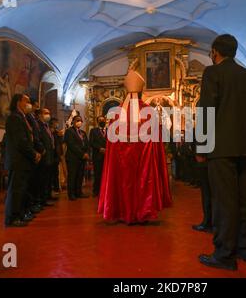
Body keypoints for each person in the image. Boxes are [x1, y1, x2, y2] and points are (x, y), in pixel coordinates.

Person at [197, 34, 246, 271]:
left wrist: (201, 146)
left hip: (221, 148)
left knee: (224, 202)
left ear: (215, 52)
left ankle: (225, 255)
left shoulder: (212, 73)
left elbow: (206, 109)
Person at [98, 69, 172, 224]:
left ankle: (124, 212)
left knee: (124, 182)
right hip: (143, 161)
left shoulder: (117, 114)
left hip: (122, 162)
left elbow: (111, 143)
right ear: (141, 91)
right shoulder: (149, 112)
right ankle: (143, 212)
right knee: (143, 182)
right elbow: (156, 141)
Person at [4, 94, 41, 227]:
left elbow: (30, 138)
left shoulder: (23, 118)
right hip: (18, 160)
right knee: (16, 190)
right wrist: (33, 153)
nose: (29, 103)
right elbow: (20, 141)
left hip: (24, 160)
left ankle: (20, 214)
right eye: (26, 101)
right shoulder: (14, 118)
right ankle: (12, 218)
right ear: (19, 102)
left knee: (22, 190)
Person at [64, 115, 90, 201]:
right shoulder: (69, 131)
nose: (79, 122)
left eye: (80, 120)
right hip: (73, 158)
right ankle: (71, 194)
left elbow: (86, 144)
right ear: (73, 121)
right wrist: (82, 154)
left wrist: (86, 153)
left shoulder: (82, 132)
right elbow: (72, 145)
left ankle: (79, 192)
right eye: (77, 120)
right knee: (72, 176)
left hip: (82, 158)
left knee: (80, 176)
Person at [37, 108, 55, 205]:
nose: (48, 115)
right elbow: (38, 139)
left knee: (48, 178)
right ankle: (42, 199)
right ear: (40, 115)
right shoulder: (38, 125)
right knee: (42, 179)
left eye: (49, 113)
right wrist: (42, 149)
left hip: (49, 156)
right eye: (46, 113)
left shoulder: (46, 126)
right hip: (43, 155)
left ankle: (47, 196)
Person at [89, 116, 107, 197]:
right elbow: (91, 142)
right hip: (98, 155)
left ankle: (106, 191)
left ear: (105, 121)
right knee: (98, 174)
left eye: (103, 120)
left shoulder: (110, 130)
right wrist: (99, 148)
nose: (102, 121)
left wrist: (107, 149)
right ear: (97, 122)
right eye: (100, 120)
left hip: (108, 155)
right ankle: (96, 191)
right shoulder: (93, 131)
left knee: (107, 174)